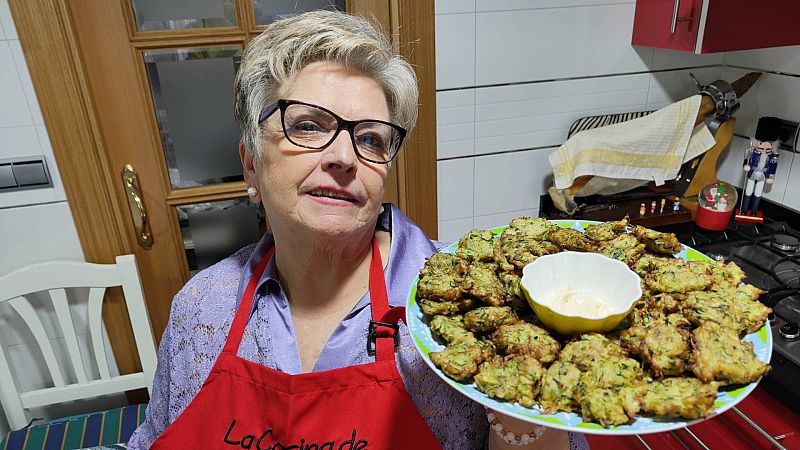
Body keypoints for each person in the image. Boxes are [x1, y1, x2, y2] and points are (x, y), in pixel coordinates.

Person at [127, 10, 588, 450]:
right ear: (251, 164)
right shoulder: (202, 308)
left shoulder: (470, 308)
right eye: (308, 126)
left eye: (370, 138)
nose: (345, 158)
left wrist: (522, 411)